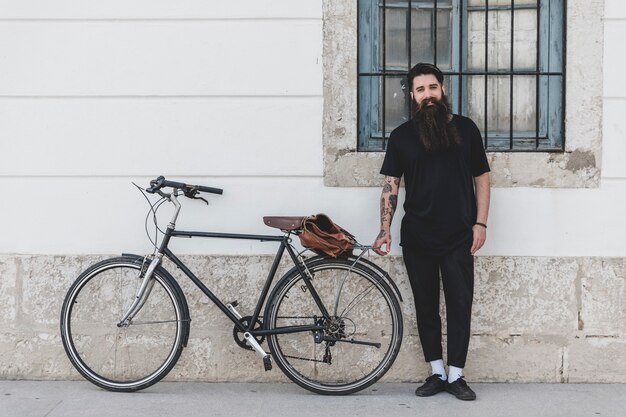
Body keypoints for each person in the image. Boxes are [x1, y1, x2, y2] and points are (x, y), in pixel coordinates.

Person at [373, 63, 491, 401]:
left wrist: (480, 224)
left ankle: (457, 375)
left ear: (442, 90)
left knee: (459, 303)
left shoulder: (467, 130)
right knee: (425, 305)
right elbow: (390, 185)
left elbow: (482, 179)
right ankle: (437, 371)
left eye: (433, 88)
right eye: (421, 89)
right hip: (418, 236)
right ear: (412, 95)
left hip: (460, 235)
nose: (428, 95)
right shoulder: (401, 137)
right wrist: (385, 229)